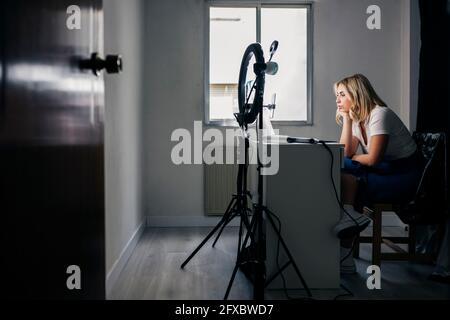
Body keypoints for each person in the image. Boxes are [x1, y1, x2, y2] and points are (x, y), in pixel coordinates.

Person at [332, 74, 422, 273]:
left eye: (341, 95)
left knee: (352, 181)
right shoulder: (357, 119)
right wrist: (347, 118)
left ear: (356, 95)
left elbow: (372, 159)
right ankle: (349, 220)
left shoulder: (380, 114)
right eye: (336, 95)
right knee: (342, 169)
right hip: (384, 171)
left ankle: (345, 253)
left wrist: (354, 159)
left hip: (405, 176)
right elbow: (345, 153)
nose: (337, 100)